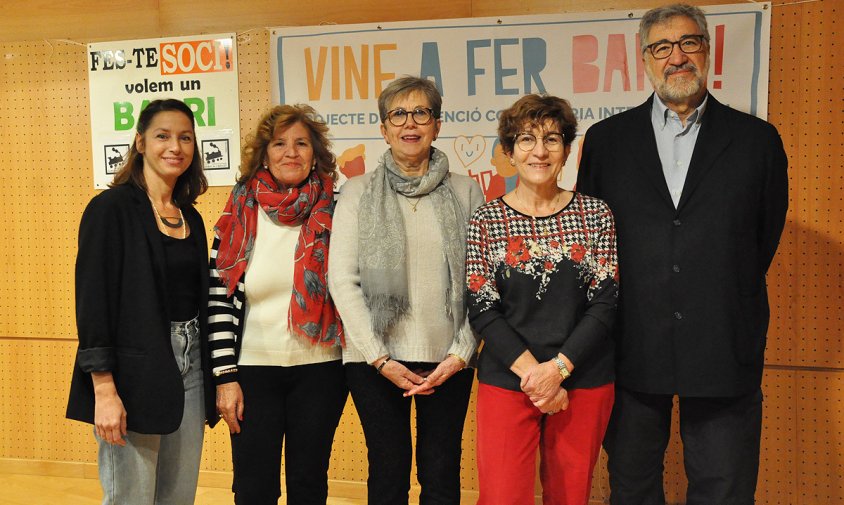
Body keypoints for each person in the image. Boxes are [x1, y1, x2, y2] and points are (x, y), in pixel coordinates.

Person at [576, 4, 789, 504]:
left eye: (689, 43)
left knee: (724, 487)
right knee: (631, 485)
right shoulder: (606, 142)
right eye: (662, 47)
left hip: (722, 337)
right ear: (645, 59)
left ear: (708, 51)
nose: (677, 57)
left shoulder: (757, 140)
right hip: (630, 341)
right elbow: (593, 240)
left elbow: (762, 238)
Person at [328, 76, 484, 505]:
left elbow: (481, 280)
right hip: (373, 358)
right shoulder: (357, 193)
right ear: (383, 128)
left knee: (441, 470)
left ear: (437, 124)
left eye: (421, 113)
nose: (410, 123)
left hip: (449, 357)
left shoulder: (466, 190)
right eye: (398, 114)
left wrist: (461, 353)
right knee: (387, 468)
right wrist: (379, 357)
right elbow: (342, 279)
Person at [466, 94, 619, 505]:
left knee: (570, 497)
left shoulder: (596, 215)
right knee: (502, 497)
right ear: (509, 152)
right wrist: (537, 375)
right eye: (526, 139)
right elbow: (482, 306)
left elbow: (604, 304)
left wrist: (559, 369)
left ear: (567, 150)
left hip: (583, 375)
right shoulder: (487, 219)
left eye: (552, 139)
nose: (540, 151)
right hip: (509, 377)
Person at [66, 98, 217, 504]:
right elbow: (93, 304)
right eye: (162, 136)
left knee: (177, 496)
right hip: (133, 371)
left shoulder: (191, 216)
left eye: (185, 137)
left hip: (192, 367)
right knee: (131, 496)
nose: (175, 147)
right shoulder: (109, 209)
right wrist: (104, 389)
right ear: (140, 143)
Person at [208, 104, 347, 505]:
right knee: (254, 487)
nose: (291, 152)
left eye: (301, 143)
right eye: (279, 143)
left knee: (309, 484)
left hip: (321, 370)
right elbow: (218, 298)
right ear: (264, 153)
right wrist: (224, 376)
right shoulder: (237, 213)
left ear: (315, 153)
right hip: (251, 372)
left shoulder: (338, 211)